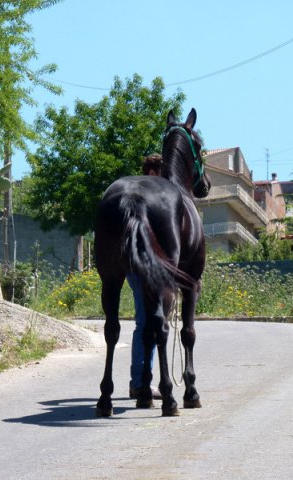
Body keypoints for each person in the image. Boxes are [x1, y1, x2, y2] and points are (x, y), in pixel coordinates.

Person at [128, 153, 163, 400]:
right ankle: (139, 381)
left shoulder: (134, 192)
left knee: (148, 322)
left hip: (139, 265)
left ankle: (142, 379)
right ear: (152, 172)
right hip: (142, 265)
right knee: (145, 323)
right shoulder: (145, 194)